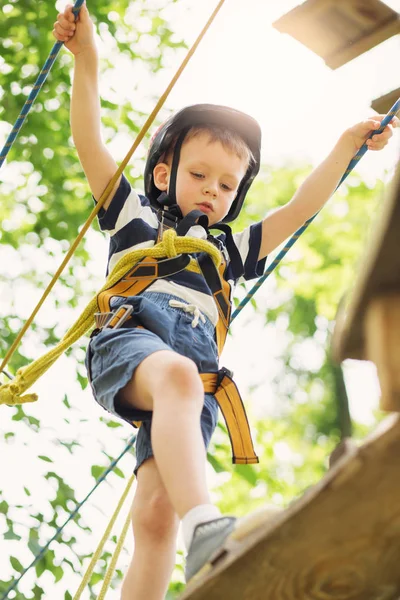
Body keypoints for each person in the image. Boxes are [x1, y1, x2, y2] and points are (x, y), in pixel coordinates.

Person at [53, 4, 398, 599]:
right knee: (181, 380)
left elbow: (298, 209)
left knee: (159, 512)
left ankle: (184, 537)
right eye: (199, 175)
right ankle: (209, 529)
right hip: (132, 337)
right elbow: (90, 137)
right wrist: (89, 59)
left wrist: (344, 147)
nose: (212, 191)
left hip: (195, 377)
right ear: (164, 174)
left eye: (226, 184)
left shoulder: (230, 251)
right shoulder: (135, 217)